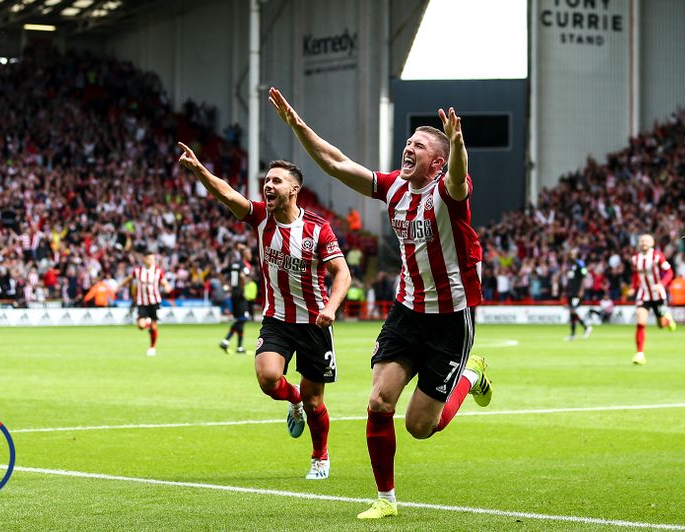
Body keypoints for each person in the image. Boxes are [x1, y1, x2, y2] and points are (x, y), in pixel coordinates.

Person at [269, 87, 492, 519]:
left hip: (450, 320)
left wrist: (458, 145)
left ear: (437, 163)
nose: (409, 148)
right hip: (407, 313)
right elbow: (336, 163)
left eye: (419, 146)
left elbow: (458, 177)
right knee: (378, 402)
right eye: (408, 142)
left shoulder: (448, 193)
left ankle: (471, 373)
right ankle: (386, 500)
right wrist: (297, 125)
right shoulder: (394, 188)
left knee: (421, 427)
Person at [178, 143, 350, 481]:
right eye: (266, 181)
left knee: (316, 402)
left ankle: (320, 456)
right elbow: (227, 195)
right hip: (277, 319)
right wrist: (198, 169)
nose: (268, 185)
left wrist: (331, 307)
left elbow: (342, 273)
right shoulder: (260, 218)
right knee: (268, 379)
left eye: (276, 181)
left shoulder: (318, 228)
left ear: (294, 189)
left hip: (315, 322)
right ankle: (293, 398)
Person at [630, 234, 677, 365]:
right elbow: (636, 275)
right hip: (643, 294)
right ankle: (640, 354)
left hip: (657, 295)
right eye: (642, 241)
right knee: (641, 322)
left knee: (661, 325)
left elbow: (670, 272)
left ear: (652, 243)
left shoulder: (658, 256)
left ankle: (667, 320)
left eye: (647, 241)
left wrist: (661, 284)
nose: (644, 243)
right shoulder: (635, 259)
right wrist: (633, 287)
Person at [118, 253, 172, 357]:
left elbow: (164, 282)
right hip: (142, 302)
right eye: (149, 259)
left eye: (153, 259)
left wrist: (167, 287)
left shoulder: (157, 271)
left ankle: (152, 347)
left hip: (154, 302)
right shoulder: (138, 271)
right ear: (144, 259)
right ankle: (148, 322)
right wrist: (119, 286)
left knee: (153, 327)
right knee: (141, 326)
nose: (151, 261)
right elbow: (129, 278)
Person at [220, 243, 253, 354]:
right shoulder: (243, 265)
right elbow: (242, 277)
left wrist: (225, 285)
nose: (250, 255)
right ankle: (225, 341)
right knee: (242, 319)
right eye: (249, 253)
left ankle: (239, 347)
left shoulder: (235, 264)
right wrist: (243, 290)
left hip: (233, 293)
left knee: (240, 320)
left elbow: (221, 272)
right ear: (244, 254)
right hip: (240, 294)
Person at [564, 248, 592, 341]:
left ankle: (585, 328)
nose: (570, 255)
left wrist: (581, 290)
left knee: (573, 310)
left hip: (577, 292)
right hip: (571, 291)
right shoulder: (571, 265)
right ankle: (575, 333)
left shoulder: (580, 264)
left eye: (572, 253)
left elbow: (584, 276)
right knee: (572, 312)